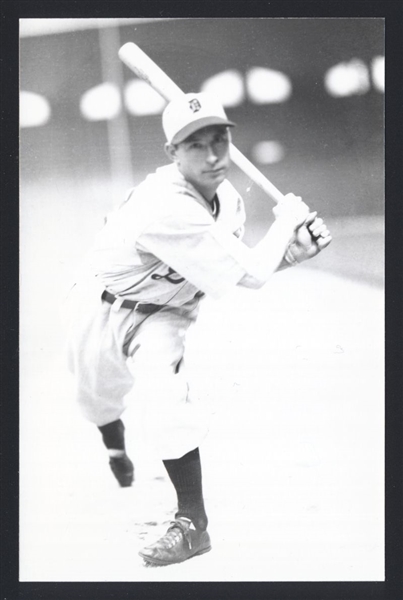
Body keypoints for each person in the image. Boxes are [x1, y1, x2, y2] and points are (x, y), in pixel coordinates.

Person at [63, 92, 332, 567]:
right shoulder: (162, 203)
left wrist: (291, 254)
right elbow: (252, 271)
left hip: (165, 315)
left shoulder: (228, 202)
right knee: (95, 398)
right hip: (102, 303)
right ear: (172, 153)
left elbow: (237, 270)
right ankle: (113, 445)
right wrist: (286, 225)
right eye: (195, 146)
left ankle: (192, 523)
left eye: (218, 141)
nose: (211, 156)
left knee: (168, 399)